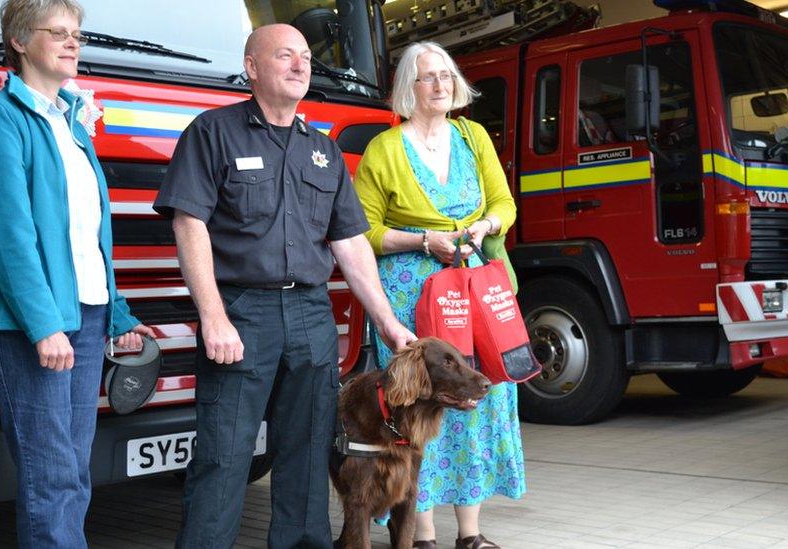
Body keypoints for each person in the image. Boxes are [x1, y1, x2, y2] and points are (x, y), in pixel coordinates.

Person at [153, 24, 416, 549]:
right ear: (251, 67)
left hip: (312, 315)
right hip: (242, 313)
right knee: (224, 455)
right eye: (284, 56)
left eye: (305, 58)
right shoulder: (213, 132)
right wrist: (213, 316)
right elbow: (189, 224)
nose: (300, 65)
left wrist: (388, 323)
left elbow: (350, 244)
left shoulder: (322, 151)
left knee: (308, 449)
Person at [0, 0, 153, 546]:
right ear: (19, 41)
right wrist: (44, 326)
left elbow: (90, 237)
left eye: (78, 34)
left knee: (72, 473)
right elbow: (8, 236)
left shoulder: (71, 124)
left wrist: (116, 314)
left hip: (87, 319)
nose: (73, 43)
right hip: (29, 327)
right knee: (51, 477)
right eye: (59, 33)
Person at [352, 41, 526, 549]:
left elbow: (504, 203)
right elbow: (362, 232)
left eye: (446, 76)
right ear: (409, 87)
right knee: (417, 410)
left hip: (475, 291)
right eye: (427, 77)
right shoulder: (384, 150)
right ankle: (419, 534)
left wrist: (484, 227)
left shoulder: (473, 137)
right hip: (414, 297)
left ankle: (470, 535)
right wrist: (423, 240)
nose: (440, 85)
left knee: (477, 398)